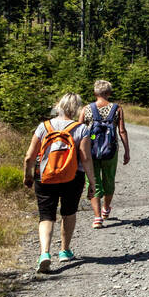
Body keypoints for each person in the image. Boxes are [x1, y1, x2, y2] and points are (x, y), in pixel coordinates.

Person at [23, 93, 95, 272]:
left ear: (59, 106)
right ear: (77, 108)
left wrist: (28, 176)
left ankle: (45, 253)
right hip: (73, 177)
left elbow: (29, 157)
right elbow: (85, 158)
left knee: (46, 215)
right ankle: (64, 251)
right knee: (69, 212)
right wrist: (92, 182)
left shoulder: (43, 127)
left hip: (45, 176)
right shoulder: (81, 129)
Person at [81, 79, 130, 227]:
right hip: (110, 151)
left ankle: (97, 218)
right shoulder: (117, 109)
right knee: (109, 179)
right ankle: (106, 208)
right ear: (108, 93)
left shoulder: (86, 109)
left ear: (95, 92)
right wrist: (127, 151)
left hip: (90, 152)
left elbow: (80, 131)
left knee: (92, 180)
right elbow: (121, 131)